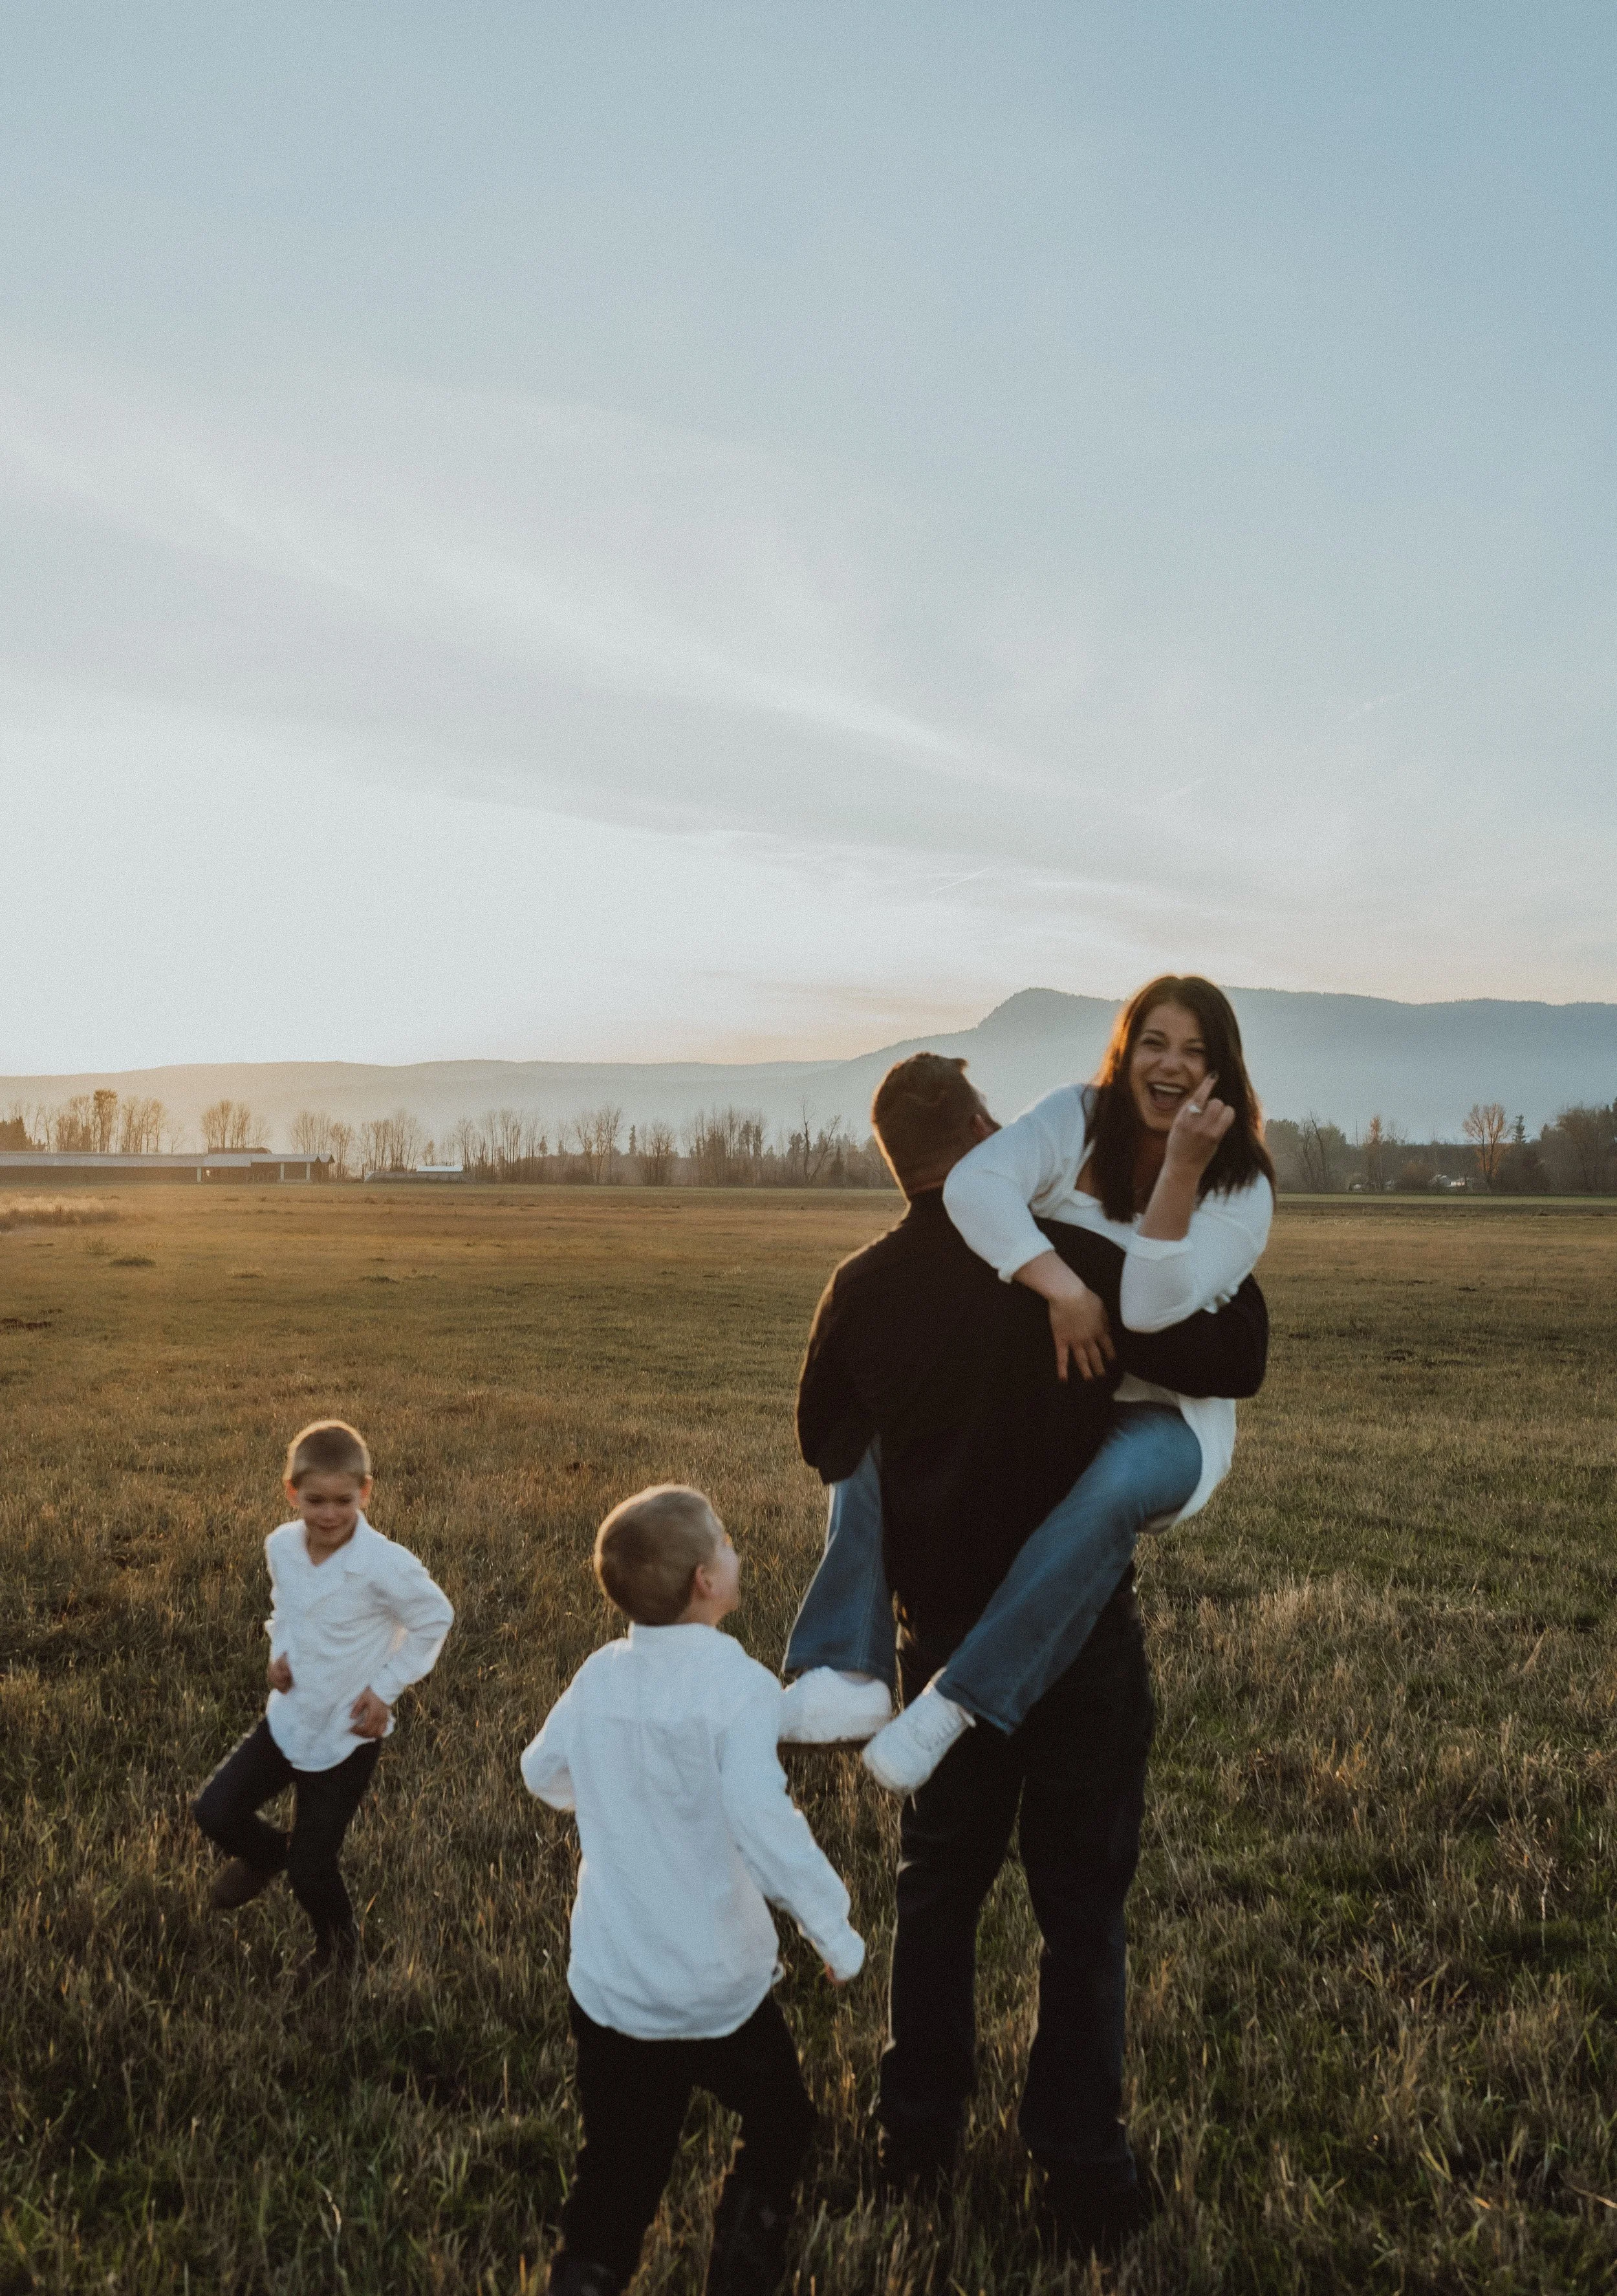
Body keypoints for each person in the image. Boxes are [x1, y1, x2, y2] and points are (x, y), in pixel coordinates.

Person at [788, 1050, 1267, 2256]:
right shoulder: (1074, 1260)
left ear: (889, 1158)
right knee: (1081, 1909)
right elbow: (1235, 1355)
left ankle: (916, 2137)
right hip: (1081, 1642)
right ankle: (1082, 2168)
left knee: (937, 1892)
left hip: (940, 1630)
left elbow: (824, 1441)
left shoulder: (862, 1285)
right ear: (992, 1130)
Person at [783, 974, 1274, 1795]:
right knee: (876, 1418)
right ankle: (847, 1671)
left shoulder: (1238, 1185)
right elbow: (979, 1186)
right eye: (1153, 1042)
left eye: (1194, 1050)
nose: (1172, 1064)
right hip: (1070, 1395)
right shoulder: (1078, 1116)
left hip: (1165, 1417)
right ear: (1125, 1051)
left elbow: (1153, 1312)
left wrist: (1181, 1169)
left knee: (1111, 1485)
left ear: (1221, 1067)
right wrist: (1063, 1288)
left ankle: (957, 1699)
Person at [523, 1483, 865, 2296]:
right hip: (716, 1991)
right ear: (706, 1582)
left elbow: (541, 1773)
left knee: (615, 2172)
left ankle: (589, 2275)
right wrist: (835, 1932)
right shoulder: (738, 1685)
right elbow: (764, 1825)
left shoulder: (599, 1674)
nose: (735, 1553)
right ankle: (741, 2270)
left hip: (611, 1987)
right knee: (782, 2122)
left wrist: (610, 1790)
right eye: (727, 1543)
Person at [193, 1418, 455, 1976]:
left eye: (343, 1500)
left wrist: (385, 1690)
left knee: (312, 1869)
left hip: (347, 1734)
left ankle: (338, 1954)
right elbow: (286, 1606)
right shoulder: (282, 1546)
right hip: (289, 1719)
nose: (329, 1514)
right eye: (315, 1500)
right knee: (214, 1809)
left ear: (365, 1492)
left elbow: (436, 1617)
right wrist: (280, 1650)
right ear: (292, 1493)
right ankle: (266, 1855)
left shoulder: (383, 1564)